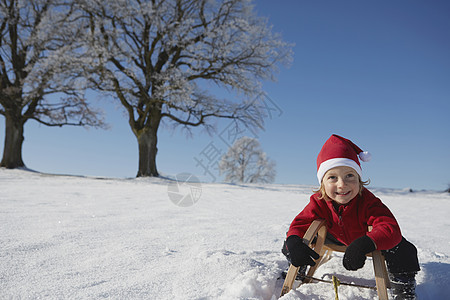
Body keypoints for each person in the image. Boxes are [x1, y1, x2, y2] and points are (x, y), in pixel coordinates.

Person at [282, 134, 420, 299]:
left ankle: (402, 286)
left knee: (403, 249)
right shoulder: (319, 201)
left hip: (366, 240)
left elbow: (389, 227)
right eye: (332, 177)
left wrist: (365, 244)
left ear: (359, 180)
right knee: (293, 242)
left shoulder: (368, 202)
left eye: (349, 176)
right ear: (322, 183)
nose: (342, 184)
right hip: (331, 237)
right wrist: (294, 242)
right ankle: (298, 267)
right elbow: (300, 224)